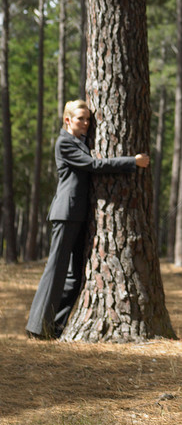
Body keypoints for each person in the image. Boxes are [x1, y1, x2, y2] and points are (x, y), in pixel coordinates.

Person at [26, 100, 150, 340]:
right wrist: (131, 162)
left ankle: (55, 326)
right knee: (56, 271)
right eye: (80, 118)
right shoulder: (65, 143)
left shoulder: (81, 142)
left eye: (87, 119)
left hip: (80, 215)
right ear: (67, 120)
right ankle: (37, 328)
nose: (85, 123)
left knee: (75, 276)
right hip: (66, 213)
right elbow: (94, 165)